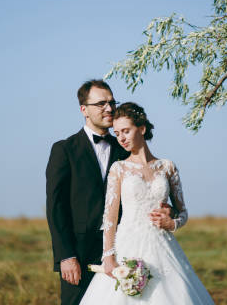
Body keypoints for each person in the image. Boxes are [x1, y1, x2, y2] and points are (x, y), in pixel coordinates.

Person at [45, 80, 175, 305]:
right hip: (79, 254)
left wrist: (166, 210)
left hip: (124, 251)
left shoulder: (124, 147)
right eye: (101, 103)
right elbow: (56, 208)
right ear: (83, 109)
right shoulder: (64, 149)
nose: (109, 108)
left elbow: (146, 187)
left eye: (112, 102)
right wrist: (66, 256)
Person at [79, 102, 215, 304]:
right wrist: (108, 257)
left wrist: (173, 223)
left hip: (163, 246)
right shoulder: (119, 169)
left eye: (126, 131)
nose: (121, 138)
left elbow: (183, 212)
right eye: (117, 133)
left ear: (141, 128)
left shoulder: (167, 167)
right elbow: (110, 217)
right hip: (127, 244)